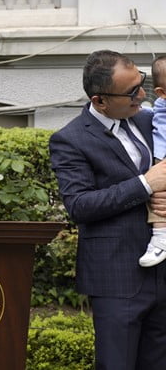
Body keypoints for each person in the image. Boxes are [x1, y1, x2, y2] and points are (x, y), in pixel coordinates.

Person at [50, 49, 166, 369]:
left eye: (141, 83)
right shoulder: (70, 139)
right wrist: (145, 184)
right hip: (117, 281)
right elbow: (80, 205)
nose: (142, 95)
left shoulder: (150, 120)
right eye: (132, 91)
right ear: (100, 100)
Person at [140, 55, 166, 267]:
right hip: (162, 157)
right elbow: (151, 112)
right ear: (162, 93)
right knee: (158, 196)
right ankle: (160, 238)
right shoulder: (158, 107)